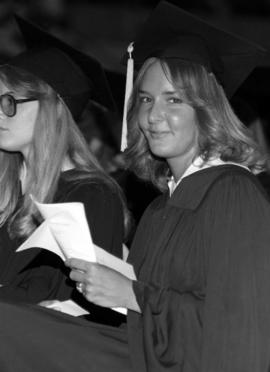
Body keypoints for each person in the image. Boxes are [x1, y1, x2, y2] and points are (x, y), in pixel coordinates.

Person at [0, 2, 270, 371]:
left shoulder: (232, 192)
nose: (153, 115)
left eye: (173, 100)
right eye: (145, 99)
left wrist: (130, 292)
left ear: (207, 109)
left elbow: (241, 324)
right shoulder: (160, 208)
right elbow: (139, 318)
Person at [0, 15, 128, 326]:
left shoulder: (91, 194)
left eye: (8, 102)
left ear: (53, 108)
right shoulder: (9, 186)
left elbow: (71, 303)